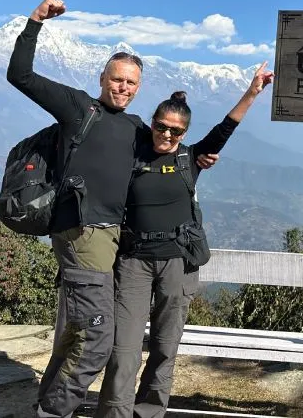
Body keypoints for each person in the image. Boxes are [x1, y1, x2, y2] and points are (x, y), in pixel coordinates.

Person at [7, 0, 217, 418]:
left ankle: (47, 402)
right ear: (103, 78)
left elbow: (167, 147)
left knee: (77, 333)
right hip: (84, 232)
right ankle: (53, 412)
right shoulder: (78, 107)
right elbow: (21, 75)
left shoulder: (137, 127)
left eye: (130, 83)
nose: (122, 87)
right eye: (116, 79)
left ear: (139, 88)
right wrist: (35, 22)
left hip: (110, 241)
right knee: (100, 340)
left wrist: (197, 159)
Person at [95, 63, 274, 418]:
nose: (166, 134)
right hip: (133, 262)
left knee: (165, 347)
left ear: (184, 133)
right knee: (124, 349)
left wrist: (253, 91)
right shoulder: (130, 156)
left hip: (178, 263)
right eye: (161, 127)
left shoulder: (189, 159)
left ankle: (148, 412)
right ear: (152, 124)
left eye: (175, 131)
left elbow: (226, 128)